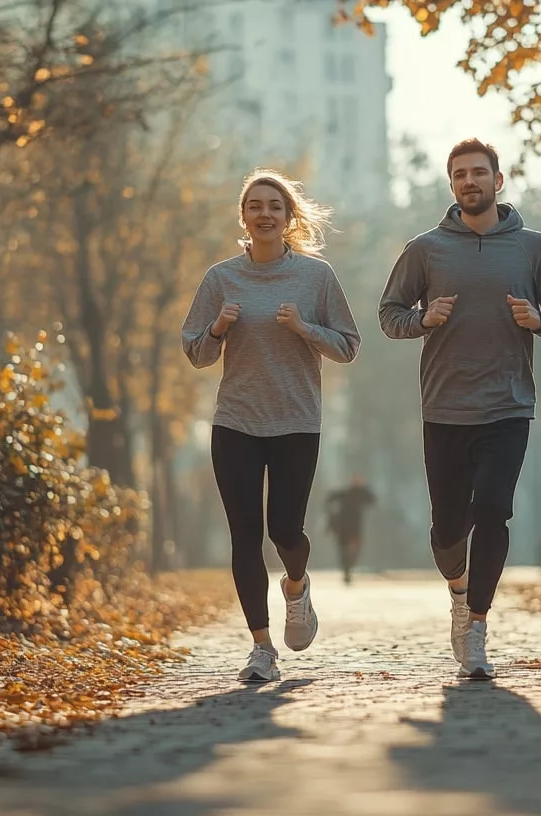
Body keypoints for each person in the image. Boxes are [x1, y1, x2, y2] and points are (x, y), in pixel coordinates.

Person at [379, 138, 541, 680]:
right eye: (460, 175)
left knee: (493, 510)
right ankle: (459, 591)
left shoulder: (535, 248)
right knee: (447, 532)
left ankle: (477, 628)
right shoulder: (426, 249)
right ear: (452, 186)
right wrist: (423, 320)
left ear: (499, 179)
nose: (470, 182)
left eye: (479, 173)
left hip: (509, 405)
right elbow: (389, 313)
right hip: (443, 407)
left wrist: (539, 321)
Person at [182, 169, 361, 683]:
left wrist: (305, 329)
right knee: (244, 535)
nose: (265, 214)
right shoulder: (220, 279)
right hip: (235, 421)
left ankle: (297, 585)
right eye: (255, 205)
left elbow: (349, 346)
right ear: (244, 216)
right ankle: (262, 648)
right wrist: (218, 327)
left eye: (274, 206)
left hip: (296, 423)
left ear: (288, 218)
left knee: (285, 529)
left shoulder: (316, 277)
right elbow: (195, 350)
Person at [325, 474, 376, 585]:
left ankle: (348, 569)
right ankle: (347, 570)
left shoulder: (359, 494)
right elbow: (329, 499)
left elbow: (372, 500)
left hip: (351, 527)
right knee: (345, 550)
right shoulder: (346, 493)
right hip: (346, 527)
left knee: (350, 550)